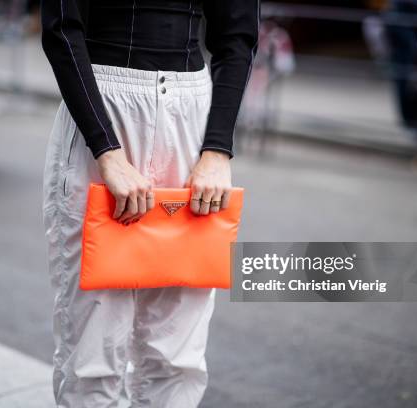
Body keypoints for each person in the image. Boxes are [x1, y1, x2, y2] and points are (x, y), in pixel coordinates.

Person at [40, 0, 259, 406]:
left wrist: (217, 150)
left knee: (179, 358)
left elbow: (238, 36)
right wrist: (106, 151)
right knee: (92, 356)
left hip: (192, 122)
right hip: (104, 106)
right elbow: (61, 27)